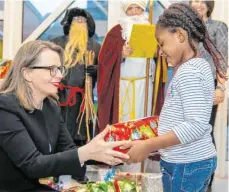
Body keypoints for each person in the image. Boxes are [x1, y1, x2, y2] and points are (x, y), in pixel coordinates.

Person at [121, 3, 227, 192]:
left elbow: (195, 125)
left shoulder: (189, 73)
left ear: (180, 35)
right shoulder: (199, 65)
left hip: (185, 165)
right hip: (193, 162)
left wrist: (148, 145)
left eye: (162, 43)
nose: (160, 52)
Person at [0, 40, 129, 192]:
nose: (60, 75)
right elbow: (33, 165)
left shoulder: (51, 107)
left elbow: (68, 149)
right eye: (52, 69)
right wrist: (88, 151)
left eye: (60, 69)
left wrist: (110, 151)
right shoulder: (5, 107)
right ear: (27, 73)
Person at [190, 1, 228, 187]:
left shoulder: (219, 27)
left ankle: (206, 180)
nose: (198, 5)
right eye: (194, 1)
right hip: (188, 84)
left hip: (209, 85)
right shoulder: (186, 27)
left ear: (208, 5)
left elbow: (223, 59)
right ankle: (190, 176)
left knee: (204, 131)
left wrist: (220, 88)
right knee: (188, 131)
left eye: (202, 1)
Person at [51, 8, 100, 146]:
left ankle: (79, 162)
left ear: (88, 24)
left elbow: (107, 70)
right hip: (58, 96)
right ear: (69, 24)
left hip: (82, 100)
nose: (79, 22)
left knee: (79, 134)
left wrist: (97, 70)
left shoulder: (96, 47)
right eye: (76, 20)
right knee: (56, 133)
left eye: (83, 20)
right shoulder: (56, 43)